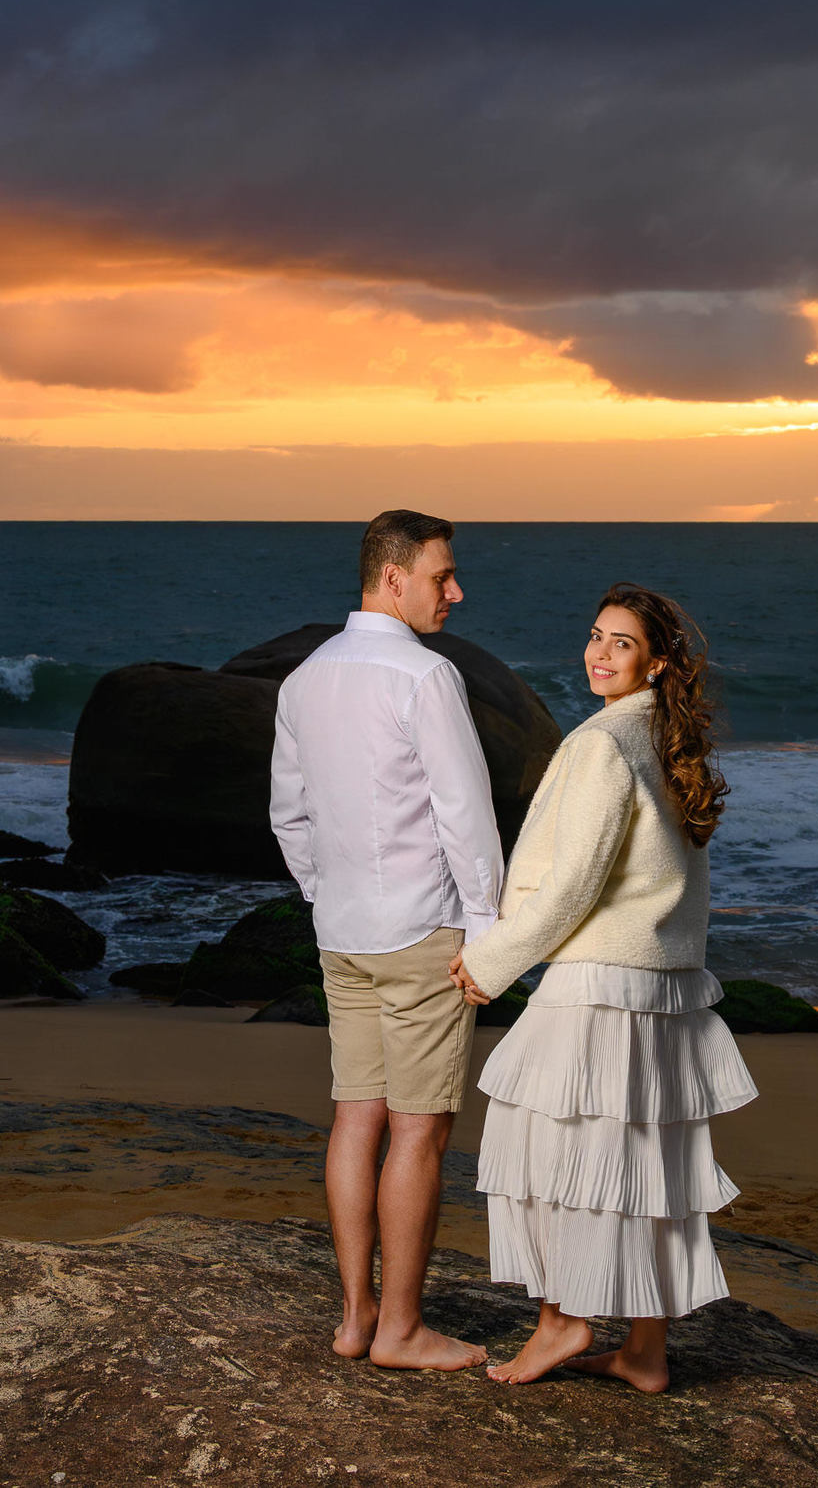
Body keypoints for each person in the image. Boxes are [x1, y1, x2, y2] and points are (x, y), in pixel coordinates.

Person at [450, 583, 757, 1391]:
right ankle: (645, 1350)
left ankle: (562, 1321)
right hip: (665, 985)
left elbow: (574, 883)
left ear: (655, 662)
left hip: (600, 982)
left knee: (553, 1149)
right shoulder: (668, 739)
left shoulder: (604, 742)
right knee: (647, 1165)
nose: (598, 652)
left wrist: (493, 960)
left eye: (620, 642)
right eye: (595, 635)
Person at [270, 508, 502, 1371]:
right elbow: (466, 817)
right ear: (393, 576)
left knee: (354, 1118)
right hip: (423, 932)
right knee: (417, 1133)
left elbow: (288, 815)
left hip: (344, 934)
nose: (456, 591)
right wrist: (488, 933)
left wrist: (326, 893)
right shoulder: (426, 676)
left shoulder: (303, 679)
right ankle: (401, 1329)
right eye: (442, 576)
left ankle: (355, 1317)